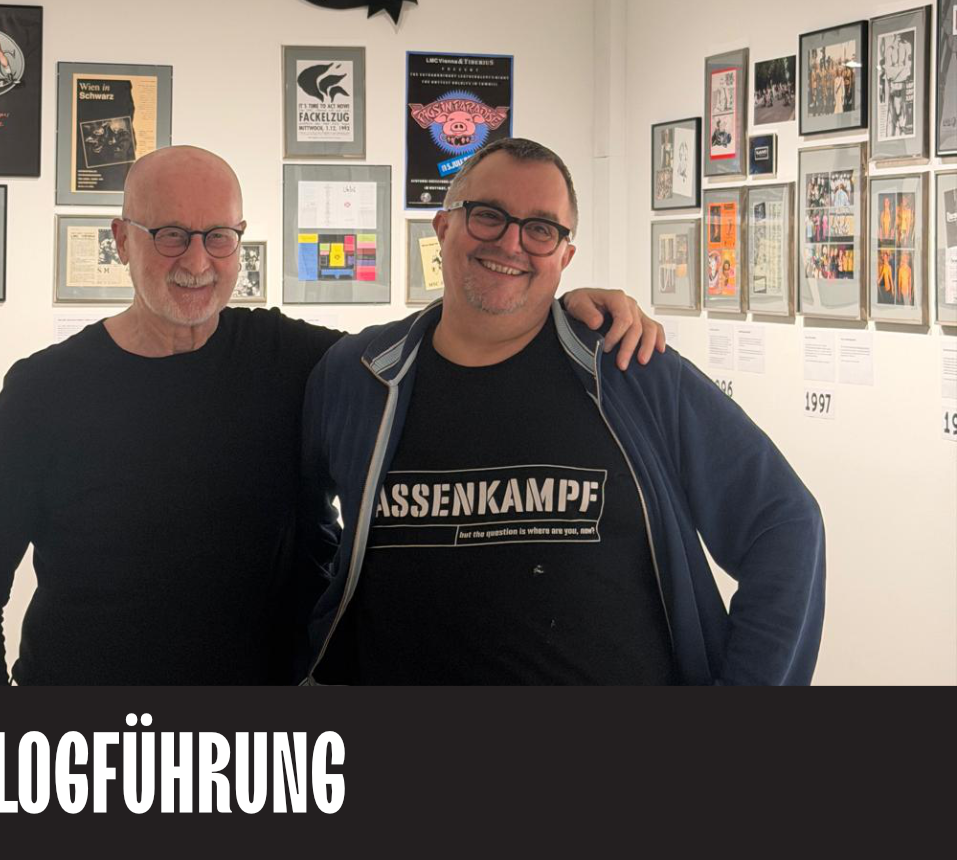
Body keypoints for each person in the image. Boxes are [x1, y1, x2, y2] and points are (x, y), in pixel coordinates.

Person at [0, 145, 665, 686]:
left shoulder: (293, 361)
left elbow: (436, 351)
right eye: (169, 235)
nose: (198, 260)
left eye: (218, 236)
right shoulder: (45, 391)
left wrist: (561, 308)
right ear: (122, 240)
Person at [300, 137, 825, 685]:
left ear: (564, 256)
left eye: (540, 229)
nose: (511, 243)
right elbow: (296, 533)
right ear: (443, 227)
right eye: (488, 216)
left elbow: (785, 523)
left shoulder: (633, 370)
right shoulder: (356, 376)